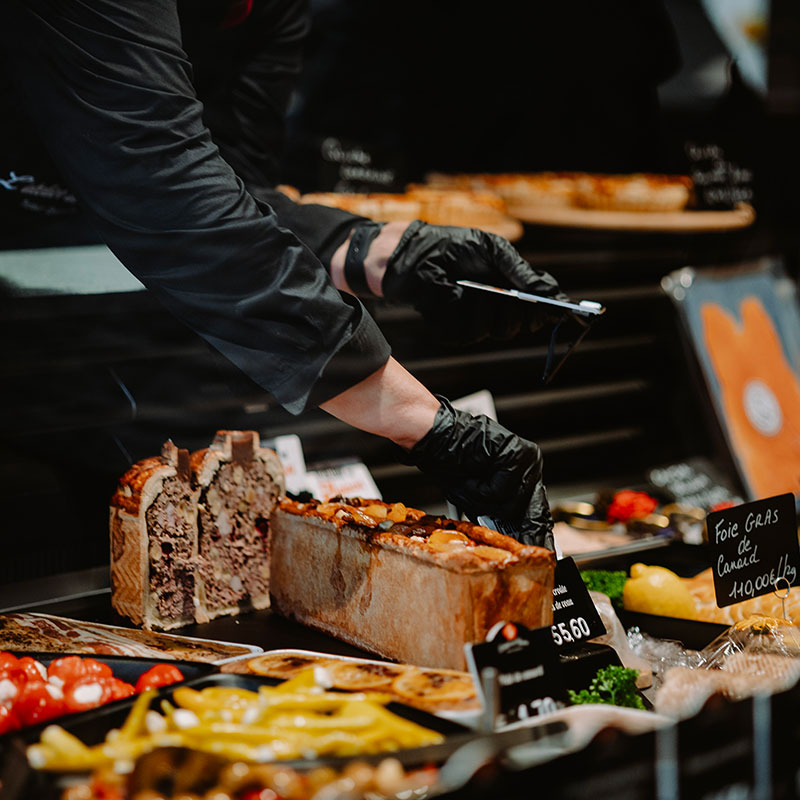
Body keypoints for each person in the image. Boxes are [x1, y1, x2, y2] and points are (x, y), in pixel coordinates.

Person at [0, 0, 568, 548]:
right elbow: (160, 178)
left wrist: (379, 250)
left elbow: (236, 187)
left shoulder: (273, 8)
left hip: (115, 357)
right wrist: (421, 422)